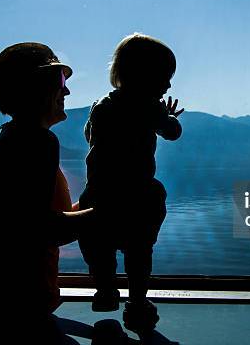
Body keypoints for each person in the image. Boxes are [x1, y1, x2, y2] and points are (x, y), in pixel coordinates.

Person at [0, 43, 93, 342]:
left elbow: (33, 219)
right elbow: (44, 230)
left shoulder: (13, 137)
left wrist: (91, 204)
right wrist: (112, 213)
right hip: (2, 317)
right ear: (35, 90)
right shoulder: (37, 142)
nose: (67, 92)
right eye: (61, 83)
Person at [78, 33, 183, 335]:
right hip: (137, 195)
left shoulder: (101, 105)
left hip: (100, 194)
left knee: (99, 248)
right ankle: (137, 303)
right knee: (139, 252)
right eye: (165, 76)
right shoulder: (149, 107)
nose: (168, 84)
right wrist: (168, 116)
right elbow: (172, 132)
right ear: (146, 75)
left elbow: (90, 136)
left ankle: (105, 290)